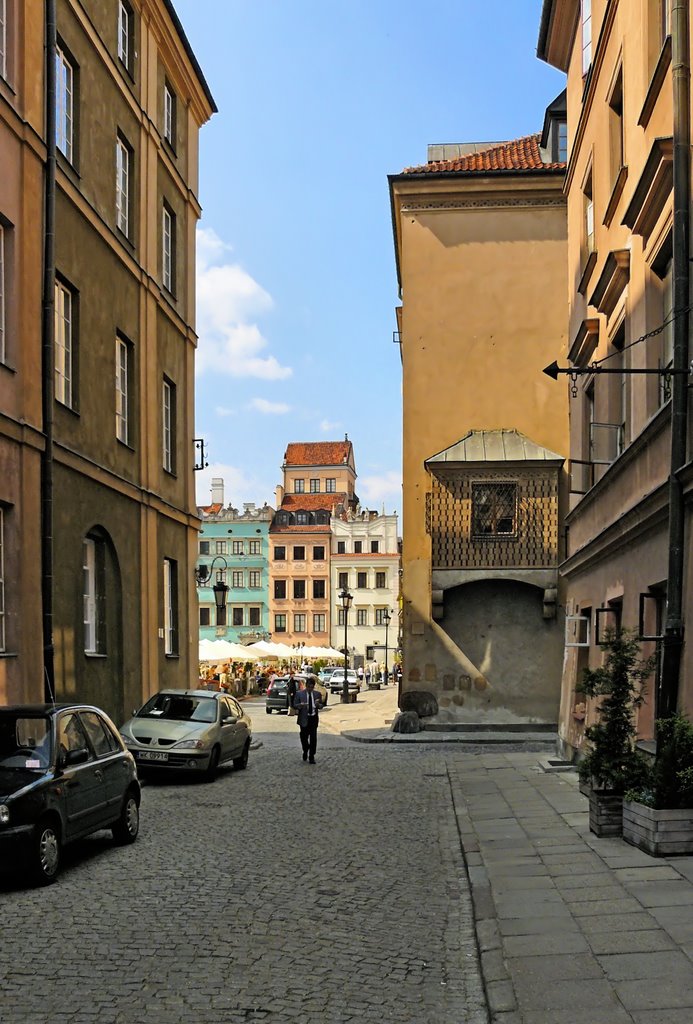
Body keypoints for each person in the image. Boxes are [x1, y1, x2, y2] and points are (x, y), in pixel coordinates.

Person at [293, 675, 323, 763]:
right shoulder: (299, 694)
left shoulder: (317, 694)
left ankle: (312, 756)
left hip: (313, 718)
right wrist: (300, 705)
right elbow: (294, 705)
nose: (310, 689)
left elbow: (321, 706)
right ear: (306, 686)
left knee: (313, 738)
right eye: (309, 687)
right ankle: (305, 750)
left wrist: (318, 705)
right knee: (304, 737)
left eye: (312, 687)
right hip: (304, 718)